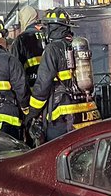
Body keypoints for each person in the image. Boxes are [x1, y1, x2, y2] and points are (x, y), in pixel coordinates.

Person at [28, 8, 100, 141]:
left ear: (51, 28)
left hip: (62, 119)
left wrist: (32, 112)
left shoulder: (52, 49)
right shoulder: (76, 46)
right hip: (86, 113)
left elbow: (43, 85)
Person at [11, 4, 43, 93]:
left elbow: (15, 69)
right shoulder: (47, 34)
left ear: (23, 19)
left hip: (32, 88)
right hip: (51, 88)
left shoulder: (21, 39)